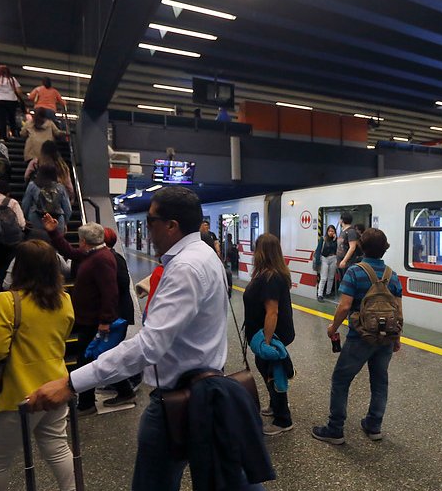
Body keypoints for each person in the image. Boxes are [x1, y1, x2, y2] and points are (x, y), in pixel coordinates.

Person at [27, 186, 273, 490]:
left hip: (179, 400)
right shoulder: (204, 255)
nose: (148, 229)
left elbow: (149, 345)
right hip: (205, 392)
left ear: (171, 225)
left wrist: (71, 383)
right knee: (230, 475)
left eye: (151, 221)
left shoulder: (185, 267)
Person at [0, 240, 76, 491]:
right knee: (57, 446)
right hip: (56, 384)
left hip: (19, 393)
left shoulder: (7, 300)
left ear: (19, 267)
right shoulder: (64, 299)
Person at [312, 228, 402, 445]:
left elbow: (344, 307)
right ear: (384, 249)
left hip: (360, 337)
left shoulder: (355, 272)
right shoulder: (392, 275)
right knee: (380, 381)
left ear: (362, 246)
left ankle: (335, 429)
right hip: (386, 338)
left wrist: (333, 328)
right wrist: (397, 337)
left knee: (341, 380)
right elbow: (398, 311)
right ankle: (374, 425)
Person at [43, 217, 118, 415]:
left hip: (95, 321)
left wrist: (105, 321)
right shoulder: (92, 254)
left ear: (84, 241)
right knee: (96, 359)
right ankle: (123, 391)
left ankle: (86, 404)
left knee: (85, 362)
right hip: (88, 319)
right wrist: (53, 232)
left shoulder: (102, 259)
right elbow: (69, 252)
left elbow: (110, 291)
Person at [244, 233, 295, 436]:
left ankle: (283, 420)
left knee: (273, 373)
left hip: (271, 336)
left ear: (262, 252)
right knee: (267, 370)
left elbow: (272, 311)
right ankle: (275, 406)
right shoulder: (270, 274)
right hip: (267, 334)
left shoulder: (270, 278)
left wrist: (266, 342)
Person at [100, 227, 139, 406]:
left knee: (107, 352)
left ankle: (126, 387)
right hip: (117, 312)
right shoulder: (112, 257)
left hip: (117, 313)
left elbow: (122, 283)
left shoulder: (113, 259)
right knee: (109, 351)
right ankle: (119, 383)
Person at [21, 164, 71, 232]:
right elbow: (67, 208)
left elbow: (25, 204)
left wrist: (25, 219)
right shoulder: (60, 187)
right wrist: (65, 222)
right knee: (57, 241)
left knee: (38, 242)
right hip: (57, 221)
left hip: (36, 219)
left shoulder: (32, 185)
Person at [0, 65, 24, 139]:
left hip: (0, 100)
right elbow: (19, 90)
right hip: (12, 100)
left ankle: (3, 136)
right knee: (12, 118)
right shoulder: (12, 79)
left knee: (2, 119)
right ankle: (14, 134)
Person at [314, 225, 338, 302]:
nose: (331, 233)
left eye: (333, 231)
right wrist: (317, 261)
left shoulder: (336, 240)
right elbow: (318, 250)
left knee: (331, 277)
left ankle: (328, 292)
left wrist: (335, 239)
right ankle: (320, 294)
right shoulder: (323, 239)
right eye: (329, 231)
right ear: (327, 231)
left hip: (333, 258)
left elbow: (336, 249)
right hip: (324, 258)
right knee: (324, 277)